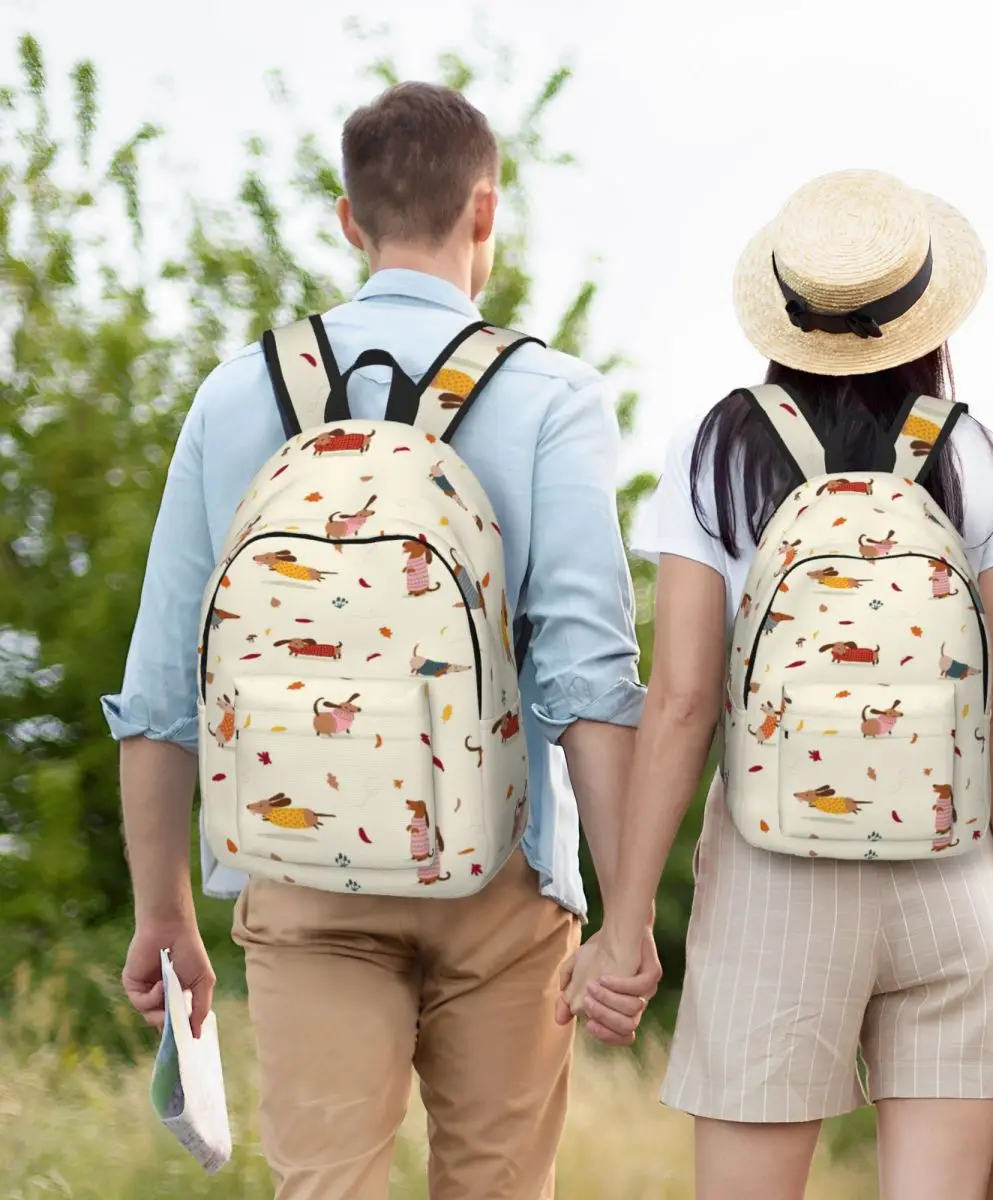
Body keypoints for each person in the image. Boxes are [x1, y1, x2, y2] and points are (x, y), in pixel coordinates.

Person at [104, 81, 660, 1200]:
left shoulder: (236, 394)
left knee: (325, 1186)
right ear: (486, 213)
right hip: (501, 874)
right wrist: (626, 915)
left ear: (349, 220)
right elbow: (589, 679)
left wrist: (162, 911)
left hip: (300, 868)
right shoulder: (550, 395)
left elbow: (164, 683)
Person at [559, 169, 993, 1200]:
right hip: (954, 884)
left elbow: (680, 705)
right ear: (924, 313)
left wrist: (623, 928)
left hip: (773, 884)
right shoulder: (974, 455)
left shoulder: (716, 450)